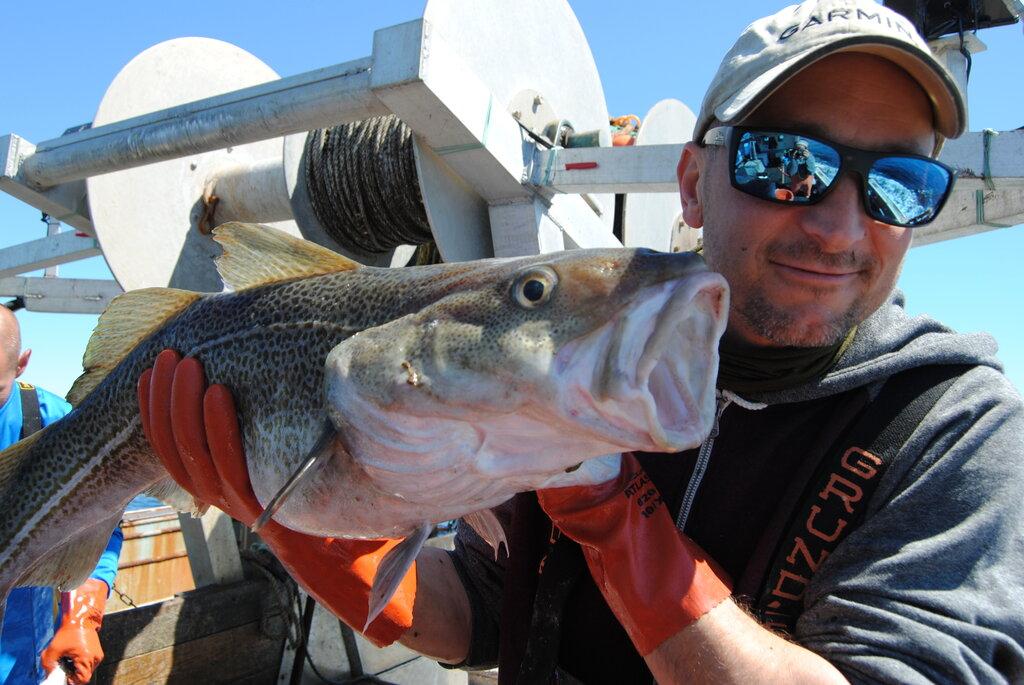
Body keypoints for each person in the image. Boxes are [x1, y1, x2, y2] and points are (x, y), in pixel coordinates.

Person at [137, 0, 1024, 682]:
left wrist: (619, 525)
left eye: (902, 184)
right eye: (786, 163)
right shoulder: (572, 373)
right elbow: (481, 615)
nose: (838, 225)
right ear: (691, 181)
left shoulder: (956, 430)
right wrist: (326, 539)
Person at [0, 307, 123, 685]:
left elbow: (98, 522)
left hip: (25, 659)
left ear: (22, 365)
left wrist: (82, 615)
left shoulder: (52, 421)